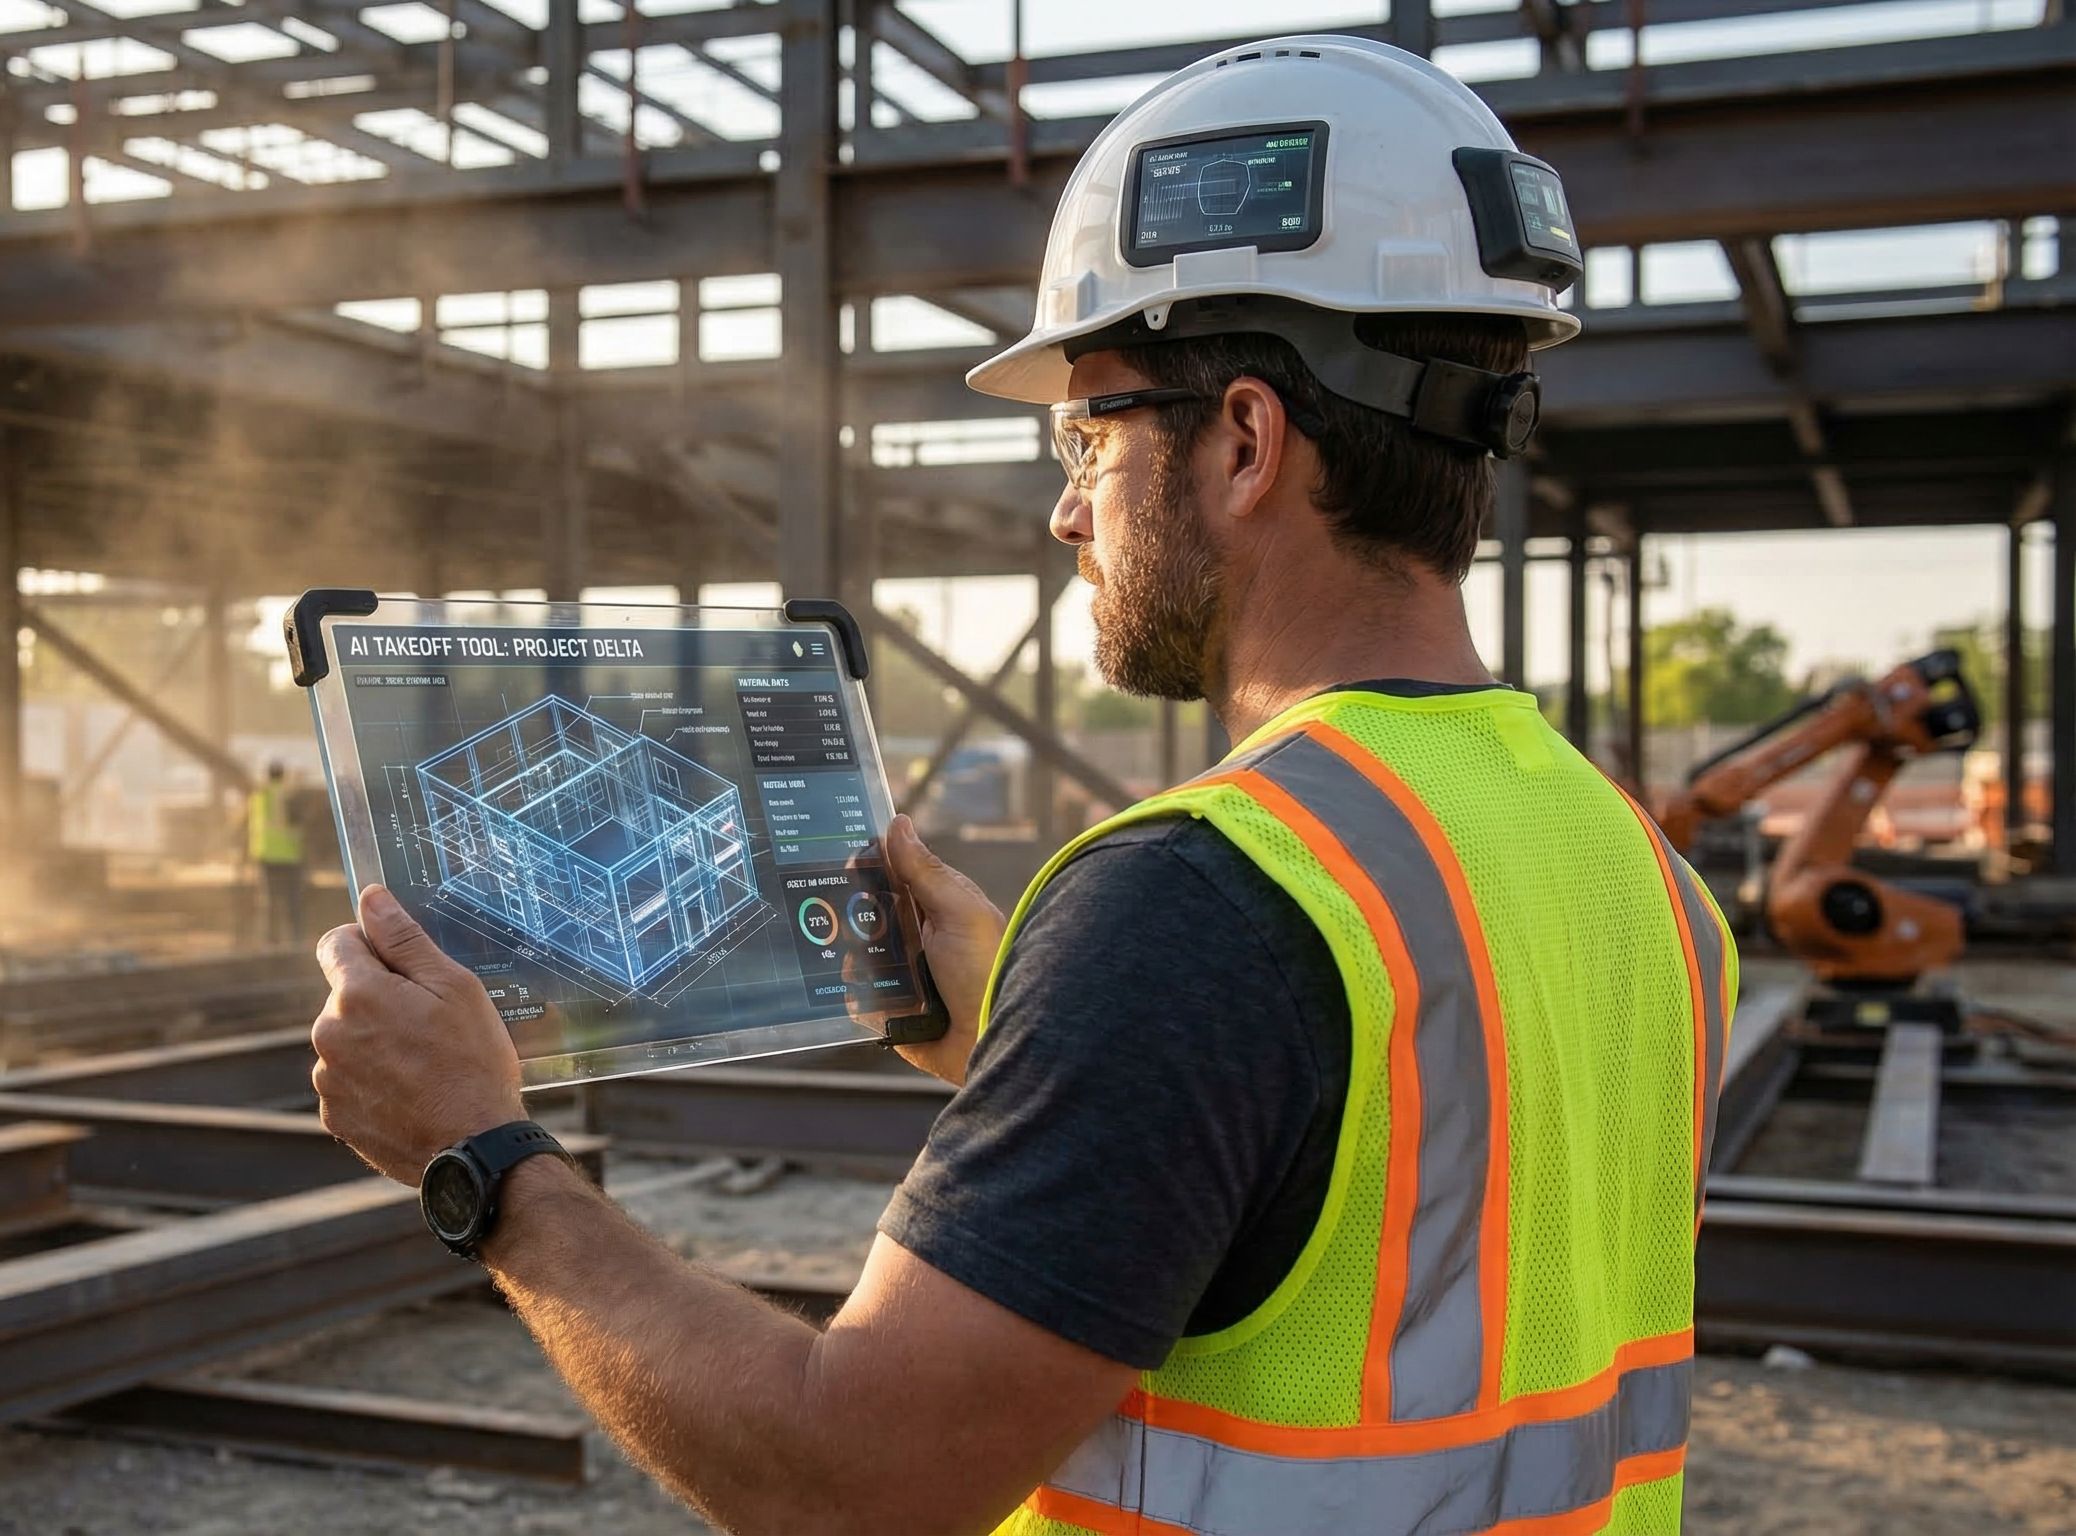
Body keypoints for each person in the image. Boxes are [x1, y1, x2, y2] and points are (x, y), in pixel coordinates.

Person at [306, 35, 1735, 1536]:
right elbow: (1394, 1199)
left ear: (1245, 441)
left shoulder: (1206, 907)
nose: (1065, 509)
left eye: (1085, 431)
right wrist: (1031, 1027)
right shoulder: (1637, 869)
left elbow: (850, 1479)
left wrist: (485, 1161)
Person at [243, 760, 306, 947]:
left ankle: (269, 942)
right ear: (283, 774)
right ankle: (295, 941)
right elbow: (297, 823)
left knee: (268, 902)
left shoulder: (259, 795)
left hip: (265, 856)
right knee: (292, 901)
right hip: (289, 856)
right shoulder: (288, 795)